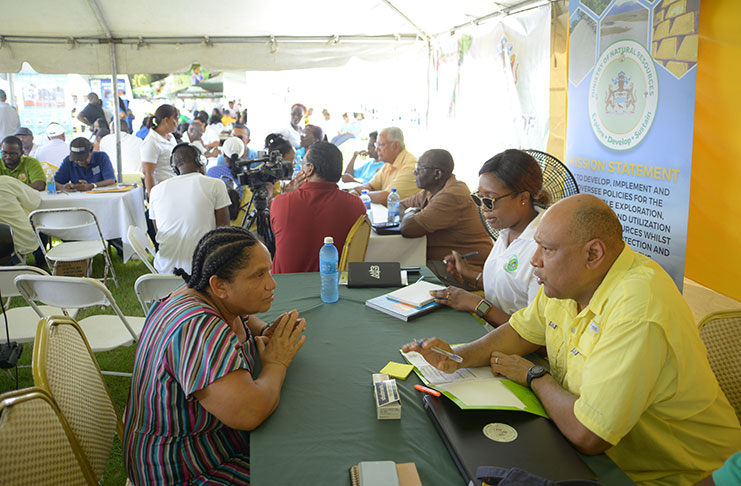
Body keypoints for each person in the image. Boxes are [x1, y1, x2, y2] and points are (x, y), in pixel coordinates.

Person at [403, 194, 741, 485]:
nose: (535, 260)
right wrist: (459, 356)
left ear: (593, 254)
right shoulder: (570, 281)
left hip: (674, 477)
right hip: (600, 454)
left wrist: (535, 377)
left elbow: (588, 435)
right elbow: (522, 331)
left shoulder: (639, 308)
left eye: (547, 249)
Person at [123, 226, 306, 485]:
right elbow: (250, 413)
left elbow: (240, 315)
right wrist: (277, 362)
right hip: (184, 471)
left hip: (185, 452)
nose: (271, 283)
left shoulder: (194, 293)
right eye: (258, 275)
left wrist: (264, 330)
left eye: (269, 270)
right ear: (219, 285)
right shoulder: (198, 328)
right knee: (305, 465)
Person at [428, 149, 549, 328]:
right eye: (480, 198)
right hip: (492, 333)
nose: (483, 208)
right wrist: (469, 274)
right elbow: (510, 285)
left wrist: (477, 304)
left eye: (490, 200)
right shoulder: (507, 230)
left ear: (523, 198)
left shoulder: (545, 246)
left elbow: (535, 334)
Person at [270, 141, 366, 274]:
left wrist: (289, 193)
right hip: (334, 287)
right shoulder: (356, 205)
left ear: (310, 169)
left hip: (286, 288)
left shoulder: (281, 202)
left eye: (303, 164)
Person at [398, 149, 492, 270]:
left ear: (437, 174)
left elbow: (408, 229)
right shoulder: (430, 190)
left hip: (464, 268)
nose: (414, 172)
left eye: (419, 168)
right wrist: (413, 214)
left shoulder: (452, 195)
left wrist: (411, 212)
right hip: (440, 261)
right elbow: (399, 205)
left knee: (403, 269)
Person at [148, 143, 231, 274]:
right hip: (203, 270)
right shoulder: (216, 184)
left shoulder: (156, 191)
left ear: (174, 168)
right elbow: (223, 233)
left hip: (165, 271)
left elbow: (158, 230)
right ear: (200, 161)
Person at [352, 127, 419, 204]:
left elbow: (387, 197)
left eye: (380, 145)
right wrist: (356, 190)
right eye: (376, 145)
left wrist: (361, 194)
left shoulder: (411, 166)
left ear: (396, 146)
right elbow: (371, 185)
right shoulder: (389, 164)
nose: (376, 149)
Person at [140, 104, 178, 196]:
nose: (177, 123)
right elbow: (148, 173)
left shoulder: (171, 137)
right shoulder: (151, 142)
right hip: (162, 191)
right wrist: (152, 198)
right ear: (166, 120)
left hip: (174, 187)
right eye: (175, 119)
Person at [0, 175, 41, 258]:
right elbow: (34, 202)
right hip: (18, 246)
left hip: (8, 247)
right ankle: (40, 262)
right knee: (41, 225)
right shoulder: (5, 182)